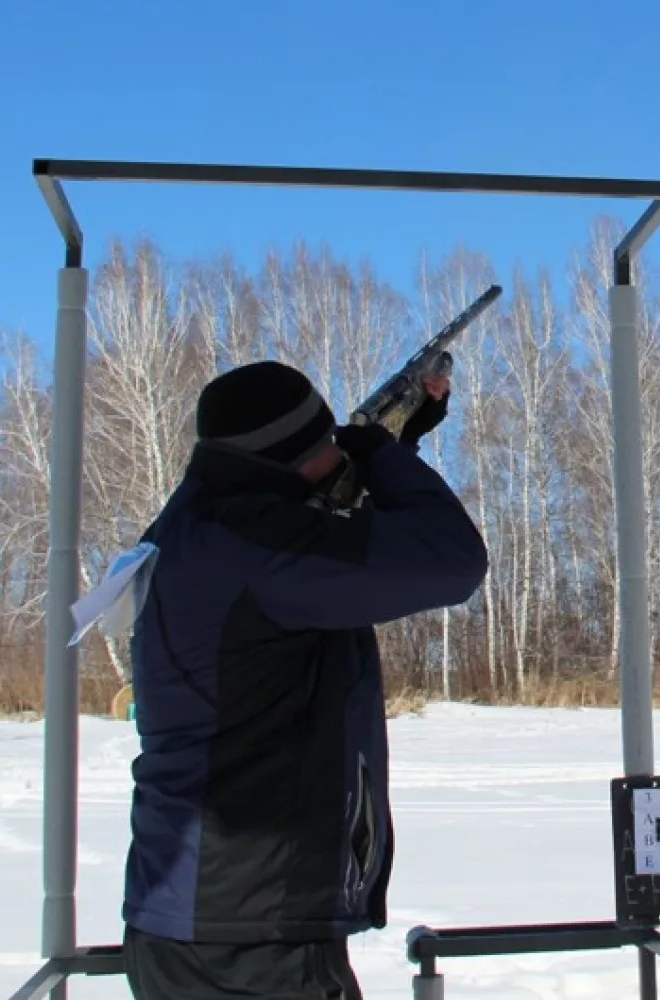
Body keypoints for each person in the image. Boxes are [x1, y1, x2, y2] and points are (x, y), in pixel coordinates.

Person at [119, 360, 488, 999]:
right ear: (281, 463)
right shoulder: (256, 543)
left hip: (202, 915)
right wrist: (377, 452)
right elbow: (451, 560)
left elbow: (337, 538)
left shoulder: (203, 525)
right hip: (252, 932)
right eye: (326, 447)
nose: (337, 455)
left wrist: (399, 439)